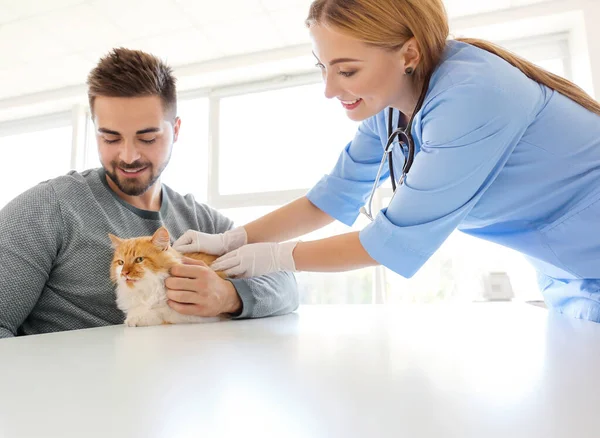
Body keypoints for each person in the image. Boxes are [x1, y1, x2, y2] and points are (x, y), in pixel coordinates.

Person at [173, 0, 600, 322]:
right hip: (570, 274)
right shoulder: (391, 108)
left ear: (409, 55)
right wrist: (233, 239)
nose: (328, 89)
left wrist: (276, 257)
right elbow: (330, 198)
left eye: (347, 70)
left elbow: (391, 240)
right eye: (323, 67)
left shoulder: (475, 95)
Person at [0, 48, 298, 339]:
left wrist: (229, 296)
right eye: (110, 137)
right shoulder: (48, 208)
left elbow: (287, 285)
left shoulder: (201, 221)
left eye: (147, 137)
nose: (128, 156)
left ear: (176, 130)